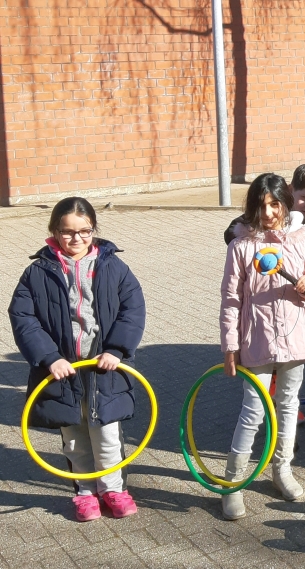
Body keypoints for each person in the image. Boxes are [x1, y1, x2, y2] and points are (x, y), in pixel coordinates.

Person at [9, 197, 146, 522]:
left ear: (93, 229)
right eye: (67, 232)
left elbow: (133, 310)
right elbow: (23, 318)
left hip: (104, 371)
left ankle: (113, 488)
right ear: (54, 231)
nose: (76, 239)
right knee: (74, 439)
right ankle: (85, 493)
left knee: (108, 436)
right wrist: (48, 357)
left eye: (84, 231)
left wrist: (116, 349)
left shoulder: (113, 267)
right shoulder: (37, 273)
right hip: (61, 373)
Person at [219, 173, 305, 520]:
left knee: (288, 405)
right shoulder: (241, 246)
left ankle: (282, 470)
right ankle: (233, 481)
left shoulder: (303, 239)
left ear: (286, 204)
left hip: (296, 337)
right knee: (253, 410)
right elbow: (231, 300)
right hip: (258, 339)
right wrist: (230, 347)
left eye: (275, 204)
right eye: (261, 205)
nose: (268, 213)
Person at [224, 164, 305, 336]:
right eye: (304, 198)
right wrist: (260, 242)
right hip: (266, 288)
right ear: (290, 189)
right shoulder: (274, 207)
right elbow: (232, 231)